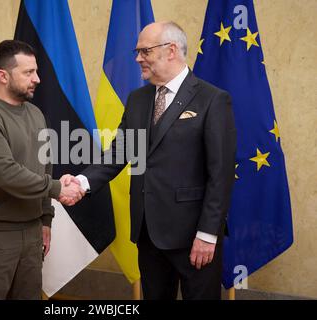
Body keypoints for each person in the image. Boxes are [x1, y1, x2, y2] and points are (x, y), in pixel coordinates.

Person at [63, 21, 236, 300]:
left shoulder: (212, 99)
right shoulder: (137, 99)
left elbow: (221, 174)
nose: (137, 59)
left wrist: (208, 234)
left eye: (144, 51)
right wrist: (81, 183)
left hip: (193, 236)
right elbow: (120, 152)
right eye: (137, 51)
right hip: (148, 233)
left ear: (171, 51)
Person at [0, 40, 84, 300]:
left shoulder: (36, 114)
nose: (37, 79)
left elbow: (45, 166)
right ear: (3, 76)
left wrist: (46, 219)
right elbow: (6, 174)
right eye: (28, 72)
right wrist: (58, 189)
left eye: (36, 71)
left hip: (31, 234)